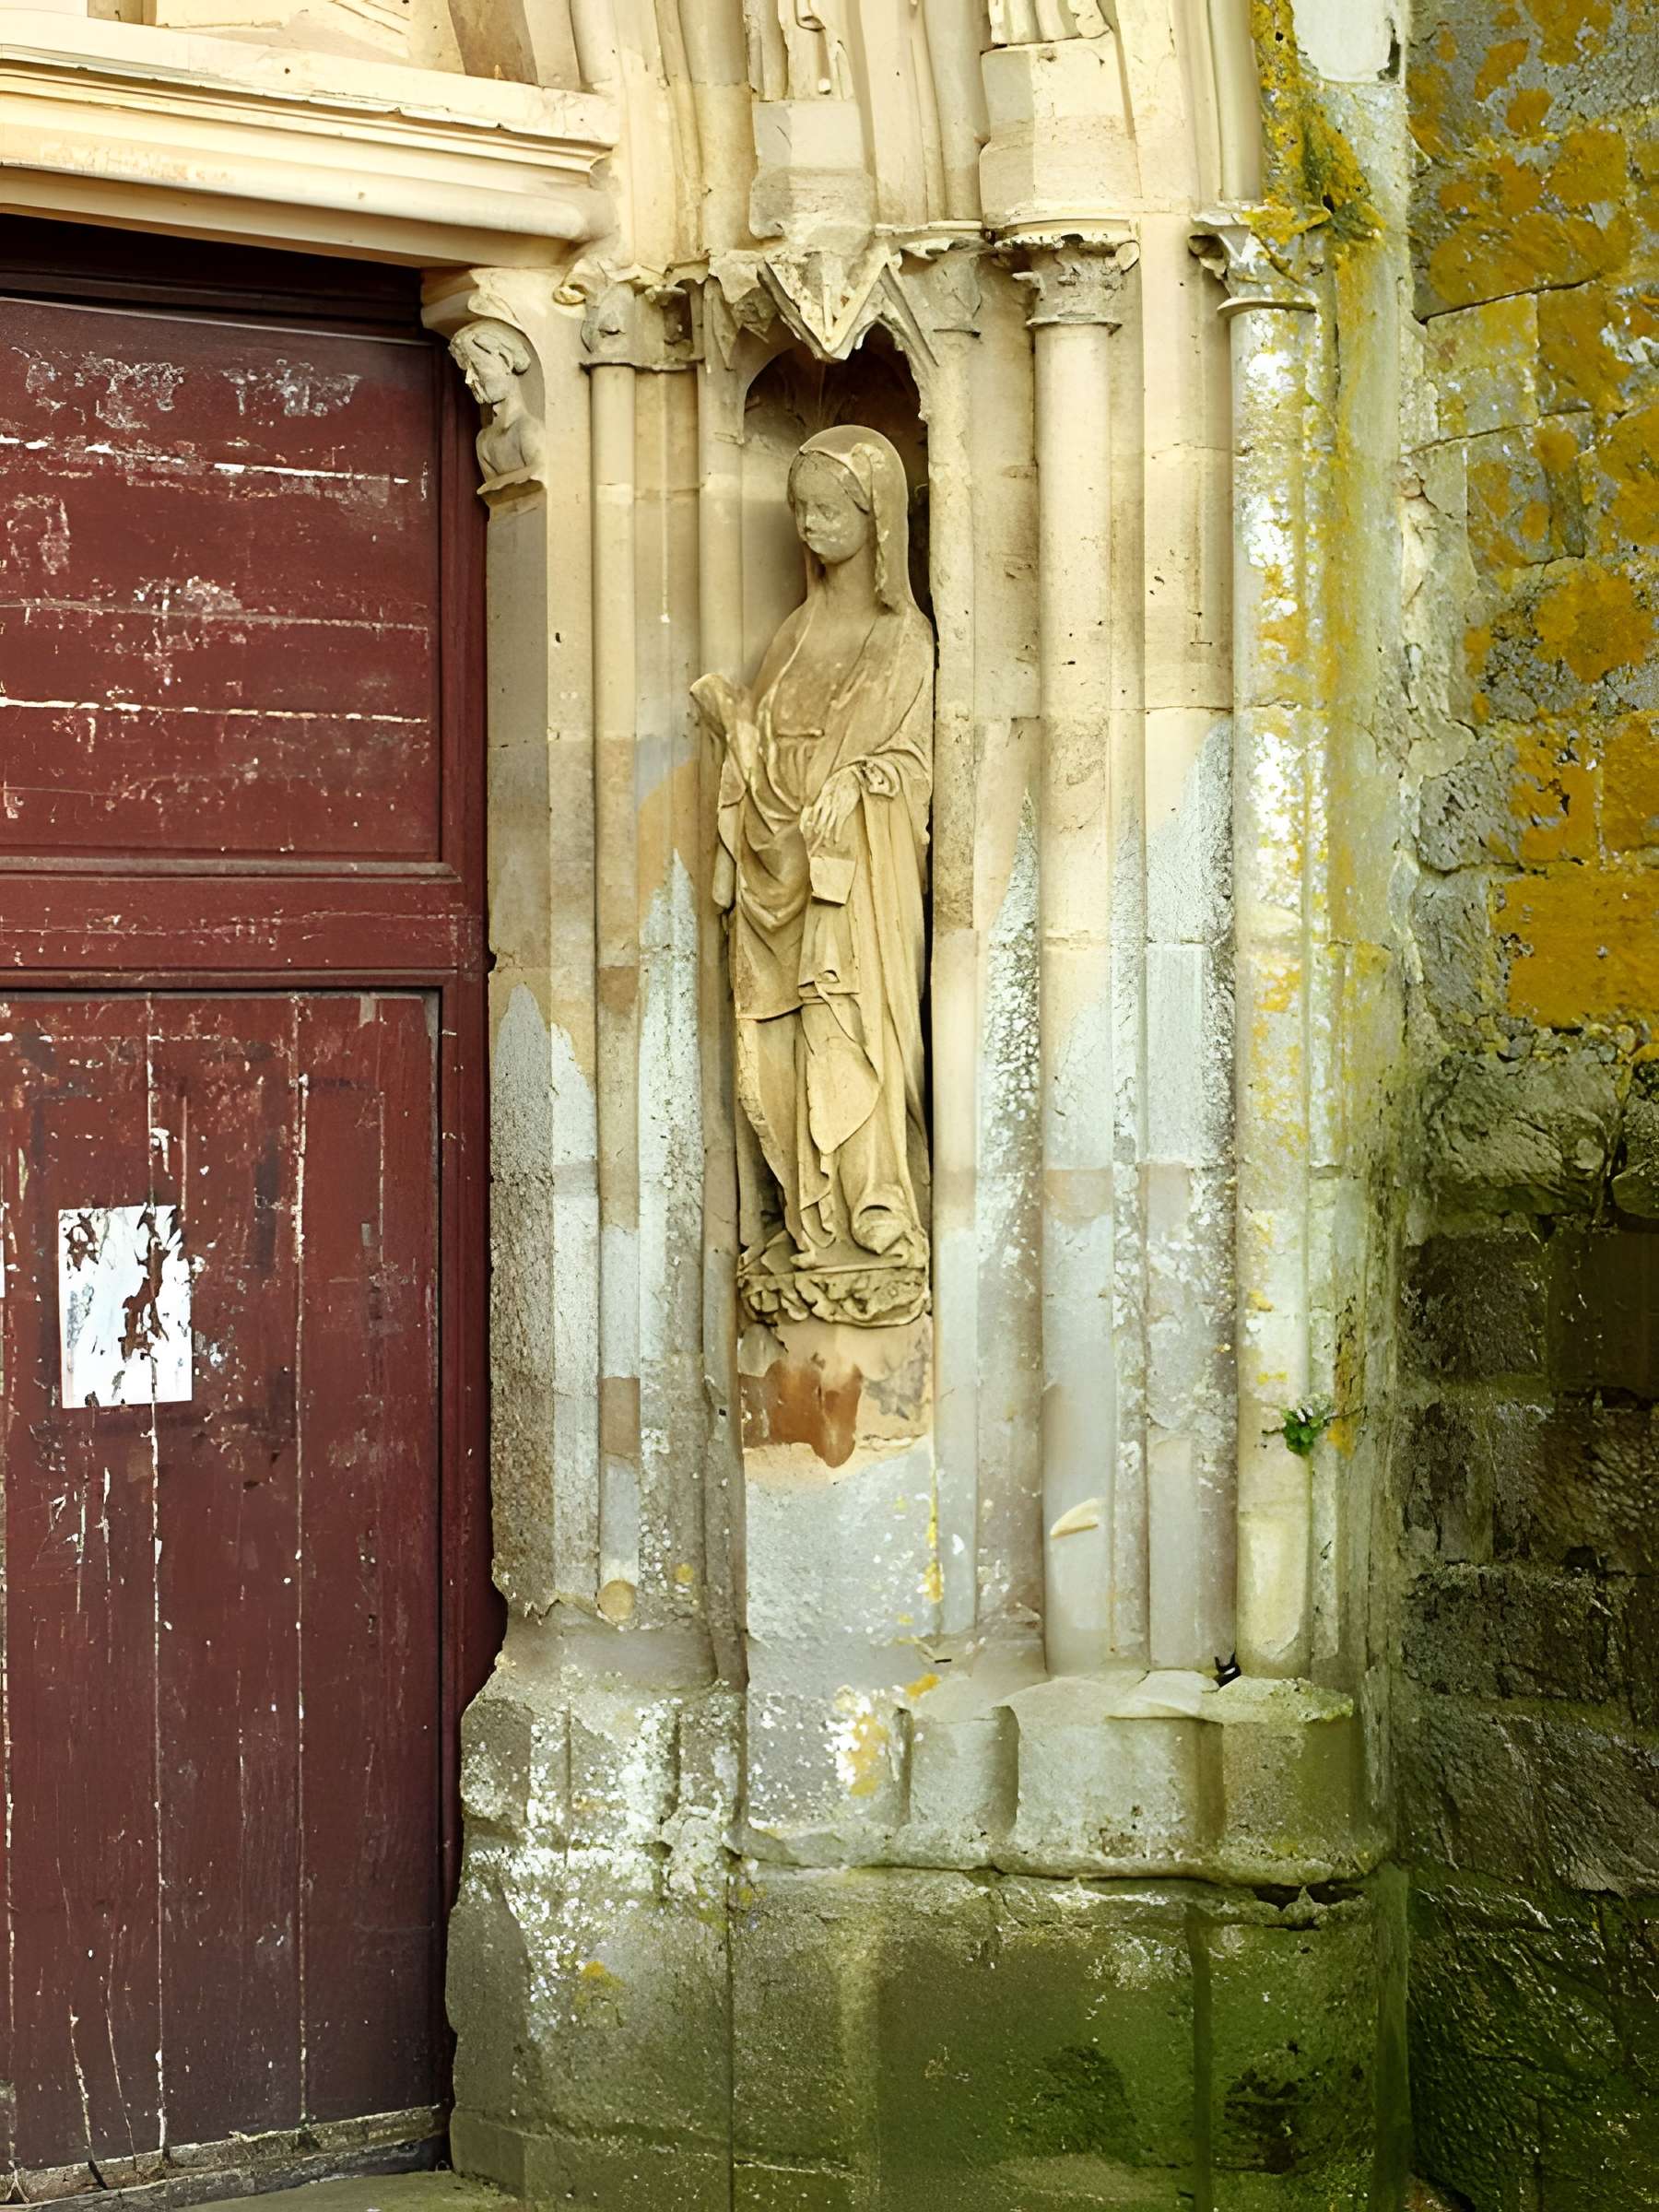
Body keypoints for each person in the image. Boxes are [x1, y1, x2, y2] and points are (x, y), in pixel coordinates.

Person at [693, 426, 934, 1328]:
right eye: (799, 509)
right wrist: (739, 734)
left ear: (876, 518)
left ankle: (870, 1214)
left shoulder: (902, 638)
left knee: (852, 1024)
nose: (809, 525)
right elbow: (755, 751)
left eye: (829, 509)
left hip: (855, 884)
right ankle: (806, 1216)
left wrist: (857, 783)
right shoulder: (794, 634)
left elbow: (910, 765)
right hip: (774, 871)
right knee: (781, 1042)